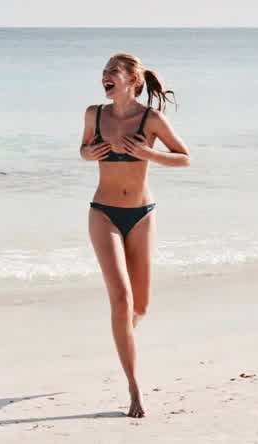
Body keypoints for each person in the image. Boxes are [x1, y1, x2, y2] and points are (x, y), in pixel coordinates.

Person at [79, 53, 190, 418]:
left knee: (139, 306)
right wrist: (88, 153)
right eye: (103, 72)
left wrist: (146, 153)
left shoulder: (150, 119)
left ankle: (122, 335)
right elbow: (83, 149)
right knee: (122, 298)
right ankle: (134, 387)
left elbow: (184, 157)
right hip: (103, 213)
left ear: (132, 80)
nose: (105, 77)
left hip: (142, 215)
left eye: (112, 72)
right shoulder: (94, 115)